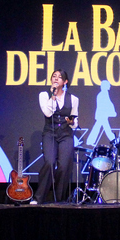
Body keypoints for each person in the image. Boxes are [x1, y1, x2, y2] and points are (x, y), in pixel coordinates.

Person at [33, 70, 79, 204]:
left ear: (65, 82)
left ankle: (60, 199)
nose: (56, 79)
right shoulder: (44, 95)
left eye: (59, 77)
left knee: (64, 166)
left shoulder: (73, 99)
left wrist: (71, 122)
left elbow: (75, 121)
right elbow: (48, 113)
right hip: (50, 133)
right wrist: (53, 96)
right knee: (50, 162)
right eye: (54, 76)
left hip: (66, 134)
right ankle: (39, 198)